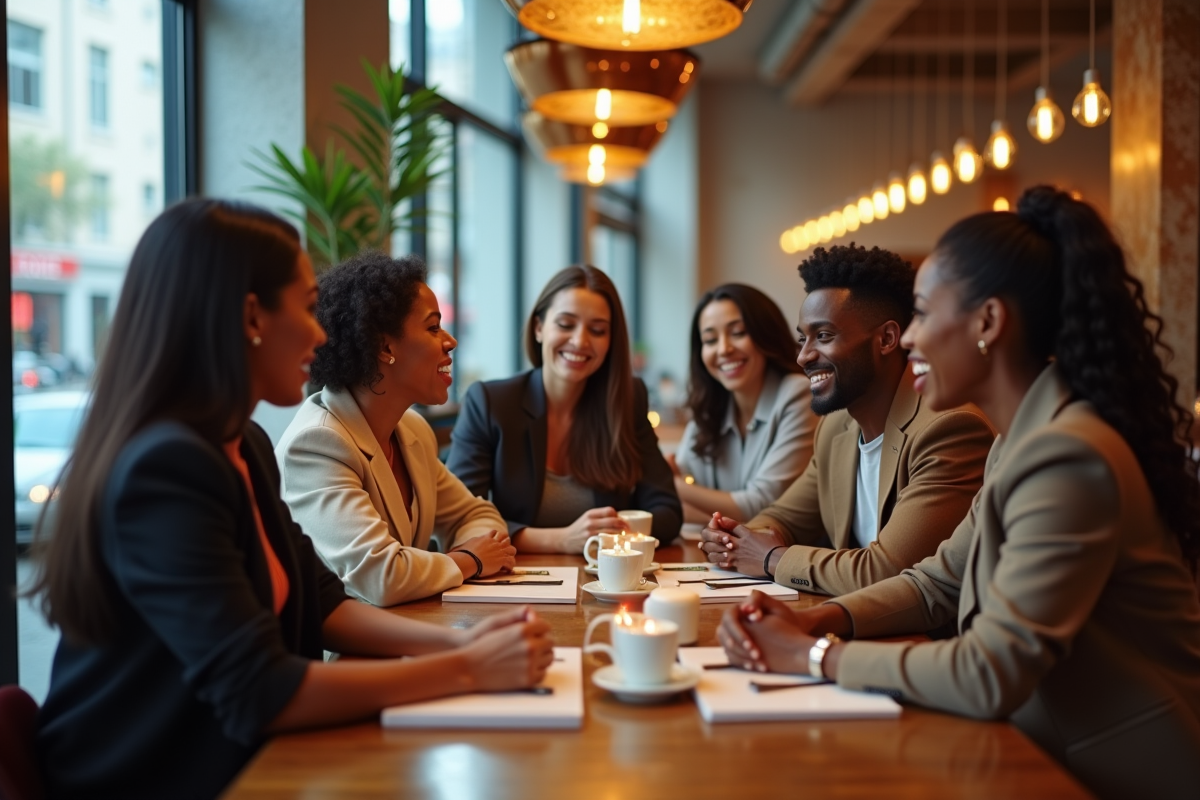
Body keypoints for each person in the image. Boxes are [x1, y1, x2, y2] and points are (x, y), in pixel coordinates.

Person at [31, 200, 553, 800]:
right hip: (156, 775)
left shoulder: (244, 442)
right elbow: (258, 689)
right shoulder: (165, 468)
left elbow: (324, 603)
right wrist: (466, 669)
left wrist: (464, 642)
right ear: (251, 316)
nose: (322, 333)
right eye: (307, 309)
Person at [718, 187, 1200, 800]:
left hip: (1111, 773)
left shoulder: (1067, 454)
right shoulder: (1020, 441)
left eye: (922, 313)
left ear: (988, 323)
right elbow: (938, 582)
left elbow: (988, 671)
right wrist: (816, 617)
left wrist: (813, 655)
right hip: (1034, 749)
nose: (910, 338)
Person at [699, 244, 994, 597]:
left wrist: (770, 558)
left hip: (923, 642)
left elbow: (887, 571)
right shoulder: (836, 428)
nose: (804, 356)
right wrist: (735, 538)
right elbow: (783, 517)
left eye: (823, 336)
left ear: (886, 339)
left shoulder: (948, 429)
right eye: (802, 339)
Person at [275, 252, 515, 606]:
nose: (450, 341)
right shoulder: (316, 444)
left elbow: (475, 514)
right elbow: (380, 575)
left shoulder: (411, 430)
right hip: (347, 656)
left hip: (412, 629)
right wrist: (471, 560)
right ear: (385, 346)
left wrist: (478, 549)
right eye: (433, 327)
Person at [447, 265, 681, 552]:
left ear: (610, 341)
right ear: (538, 327)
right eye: (566, 324)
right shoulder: (490, 402)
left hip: (606, 583)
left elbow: (668, 512)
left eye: (597, 330)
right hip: (513, 583)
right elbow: (459, 520)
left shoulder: (627, 398)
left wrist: (606, 533)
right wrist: (562, 539)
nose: (580, 341)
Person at [670, 283, 816, 523]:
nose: (724, 349)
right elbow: (671, 498)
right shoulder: (710, 404)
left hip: (786, 557)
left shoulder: (798, 394)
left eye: (738, 333)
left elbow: (760, 506)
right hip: (719, 555)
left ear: (765, 335)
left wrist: (673, 486)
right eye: (709, 340)